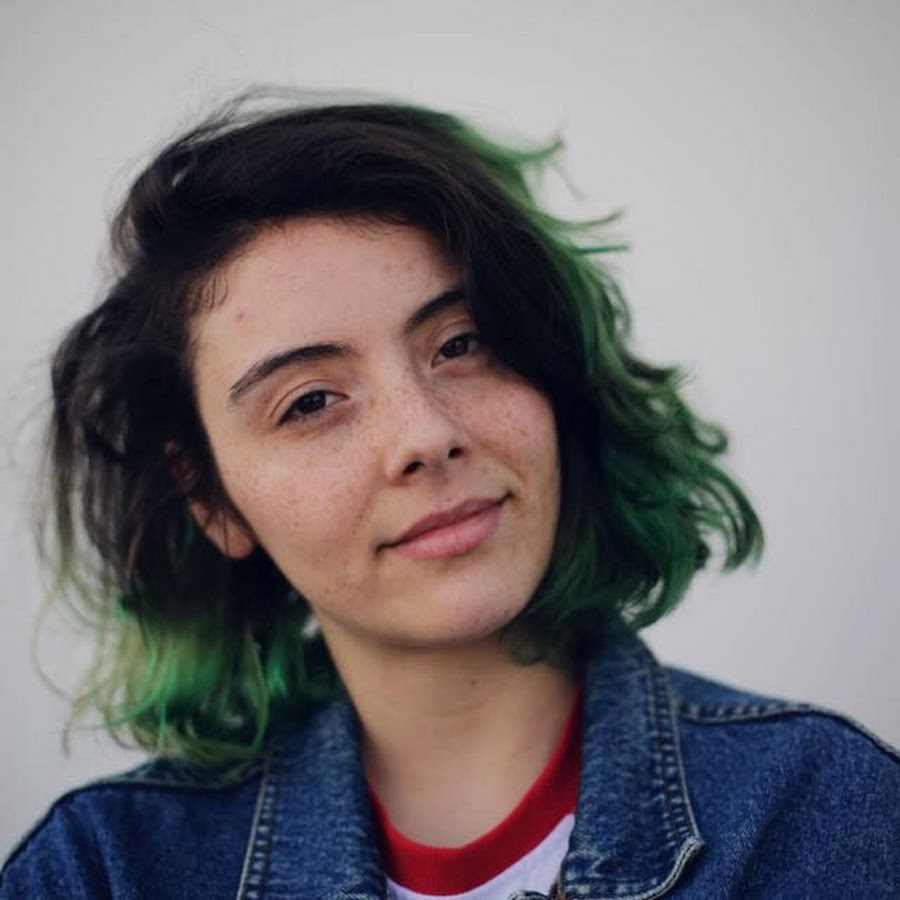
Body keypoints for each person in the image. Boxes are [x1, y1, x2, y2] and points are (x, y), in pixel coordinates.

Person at [2, 93, 898, 900]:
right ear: (214, 504)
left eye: (462, 343)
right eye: (309, 402)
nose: (425, 435)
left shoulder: (820, 807)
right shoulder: (103, 873)